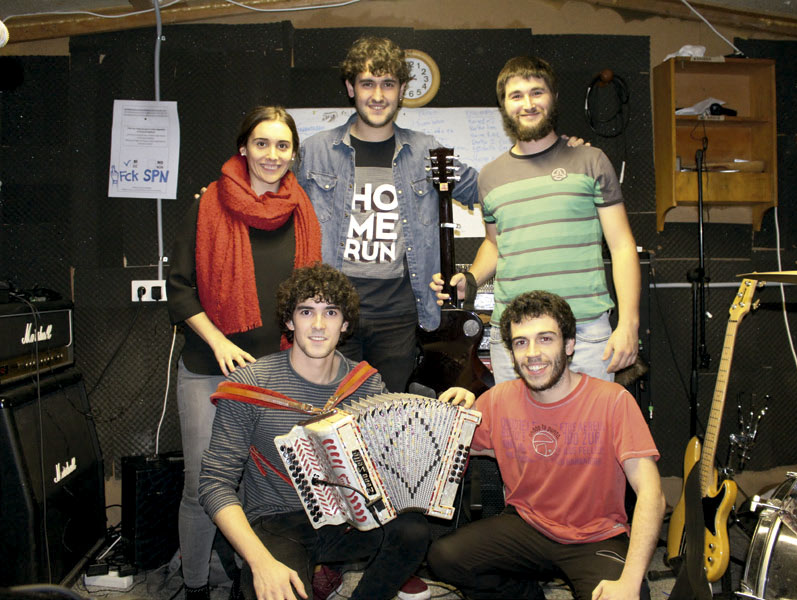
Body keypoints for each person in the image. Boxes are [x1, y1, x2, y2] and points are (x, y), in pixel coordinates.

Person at [199, 263, 473, 600]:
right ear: (289, 321)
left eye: (330, 312)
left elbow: (394, 467)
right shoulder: (251, 385)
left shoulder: (365, 383)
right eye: (306, 312)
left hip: (348, 521)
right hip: (278, 522)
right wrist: (260, 562)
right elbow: (214, 484)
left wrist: (451, 414)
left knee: (413, 531)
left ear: (344, 324)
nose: (318, 325)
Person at [167, 106, 322, 599]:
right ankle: (194, 586)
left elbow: (310, 295)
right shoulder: (208, 204)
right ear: (243, 148)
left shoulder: (302, 209)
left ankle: (247, 575)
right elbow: (179, 288)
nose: (272, 154)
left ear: (293, 153)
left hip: (276, 374)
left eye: (282, 145)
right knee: (202, 485)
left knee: (262, 486)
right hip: (209, 369)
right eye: (261, 143)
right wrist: (218, 342)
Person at [430, 290, 664, 600]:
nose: (532, 354)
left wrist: (630, 581)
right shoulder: (498, 400)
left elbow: (652, 494)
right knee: (445, 557)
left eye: (545, 339)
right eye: (521, 342)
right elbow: (448, 451)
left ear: (569, 345)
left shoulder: (613, 401)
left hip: (595, 537)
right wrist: (454, 415)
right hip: (527, 527)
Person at [431, 56, 640, 384]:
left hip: (585, 334)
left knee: (590, 421)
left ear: (553, 97)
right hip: (514, 337)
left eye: (536, 92)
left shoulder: (591, 161)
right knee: (514, 421)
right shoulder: (490, 176)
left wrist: (628, 323)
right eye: (516, 96)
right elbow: (494, 244)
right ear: (504, 106)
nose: (527, 104)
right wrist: (470, 279)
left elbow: (622, 246)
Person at [295, 36, 481, 394]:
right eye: (367, 84)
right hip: (331, 313)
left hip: (399, 318)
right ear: (351, 88)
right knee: (334, 414)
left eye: (388, 84)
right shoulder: (316, 151)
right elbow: (274, 201)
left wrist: (548, 153)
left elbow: (489, 191)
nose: (378, 95)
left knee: (391, 416)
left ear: (402, 90)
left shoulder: (426, 151)